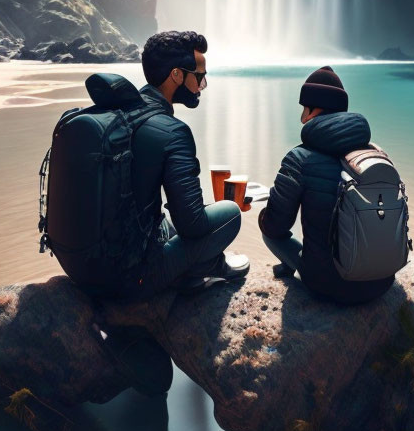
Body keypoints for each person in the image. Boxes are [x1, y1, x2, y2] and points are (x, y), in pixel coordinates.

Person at [258, 66, 394, 305]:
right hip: (382, 284)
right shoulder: (374, 153)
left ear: (316, 109)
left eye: (305, 109)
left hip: (329, 285)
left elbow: (275, 227)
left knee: (269, 232)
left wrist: (264, 211)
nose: (302, 118)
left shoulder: (299, 158)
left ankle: (292, 268)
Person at [134, 30, 249, 296]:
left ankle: (196, 267)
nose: (203, 85)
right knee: (229, 214)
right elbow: (193, 225)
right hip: (133, 278)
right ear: (177, 75)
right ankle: (211, 265)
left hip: (83, 266)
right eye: (199, 76)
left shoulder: (124, 113)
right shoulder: (173, 132)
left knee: (169, 224)